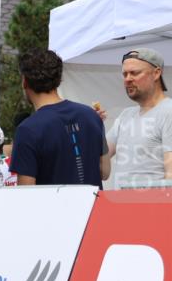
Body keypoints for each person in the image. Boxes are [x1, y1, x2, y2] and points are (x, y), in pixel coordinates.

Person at [9, 49, 108, 189]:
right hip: (93, 203)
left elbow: (26, 192)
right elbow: (105, 172)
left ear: (25, 82)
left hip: (53, 204)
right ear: (58, 80)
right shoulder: (92, 116)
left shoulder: (27, 130)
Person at [102, 47, 172, 187]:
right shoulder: (125, 115)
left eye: (135, 73)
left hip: (153, 200)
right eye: (125, 74)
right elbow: (100, 159)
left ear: (156, 73)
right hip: (120, 200)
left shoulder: (168, 111)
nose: (127, 79)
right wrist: (93, 125)